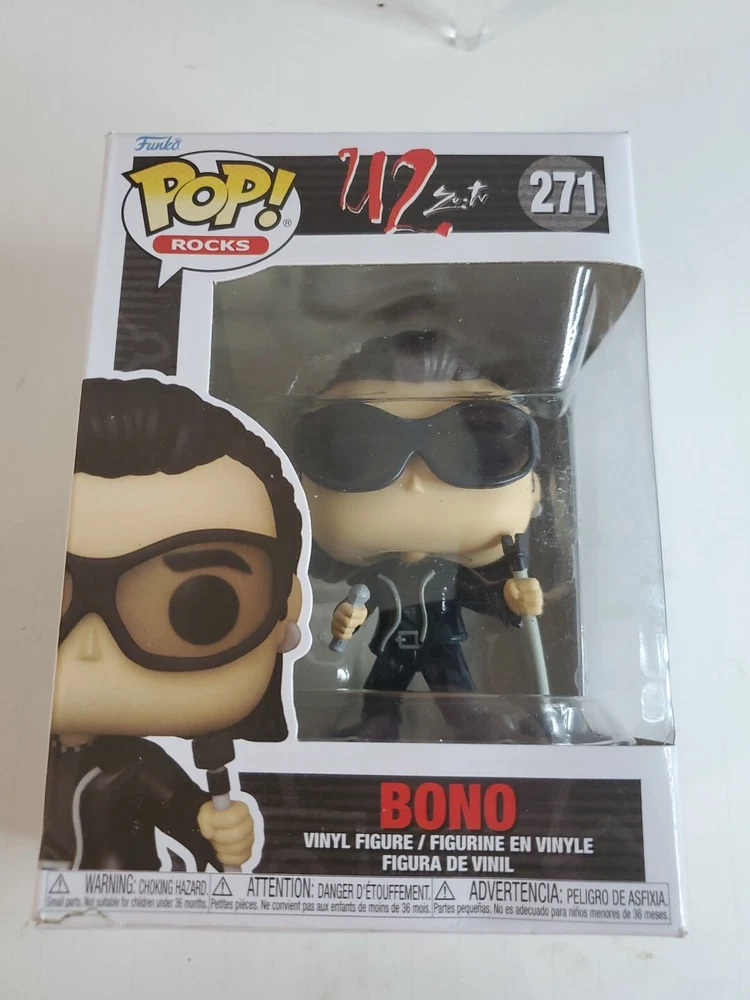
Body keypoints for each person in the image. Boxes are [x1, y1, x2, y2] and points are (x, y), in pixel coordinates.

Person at [40, 377, 303, 871]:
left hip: (127, 903)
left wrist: (214, 828)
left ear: (286, 605)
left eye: (199, 606)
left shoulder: (134, 768)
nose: (90, 648)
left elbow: (186, 814)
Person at [294, 330, 543, 741]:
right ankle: (376, 727)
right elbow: (358, 600)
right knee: (381, 694)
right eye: (360, 449)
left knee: (458, 695)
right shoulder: (375, 575)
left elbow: (478, 594)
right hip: (391, 644)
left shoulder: (451, 576)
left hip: (443, 644)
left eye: (479, 449)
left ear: (537, 488)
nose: (415, 483)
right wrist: (346, 622)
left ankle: (472, 730)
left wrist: (511, 602)